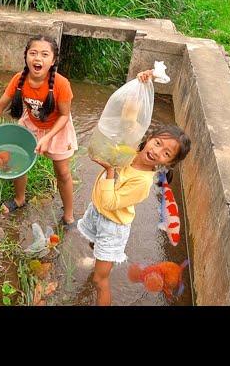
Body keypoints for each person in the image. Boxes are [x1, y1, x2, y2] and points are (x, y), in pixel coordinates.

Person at [78, 72, 191, 305]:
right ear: (150, 137)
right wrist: (142, 84)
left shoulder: (143, 182)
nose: (157, 151)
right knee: (93, 243)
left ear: (168, 163)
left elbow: (111, 203)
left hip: (113, 225)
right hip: (97, 211)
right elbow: (128, 116)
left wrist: (110, 170)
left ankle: (101, 271)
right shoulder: (132, 147)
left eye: (166, 153)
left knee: (101, 281)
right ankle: (99, 259)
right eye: (157, 143)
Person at [0, 35, 78, 224]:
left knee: (62, 173)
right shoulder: (19, 80)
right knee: (20, 158)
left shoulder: (62, 84)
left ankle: (69, 214)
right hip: (32, 124)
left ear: (53, 60)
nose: (38, 58)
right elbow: (0, 104)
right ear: (26, 57)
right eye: (33, 53)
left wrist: (47, 138)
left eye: (45, 54)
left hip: (57, 129)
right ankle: (20, 199)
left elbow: (64, 116)